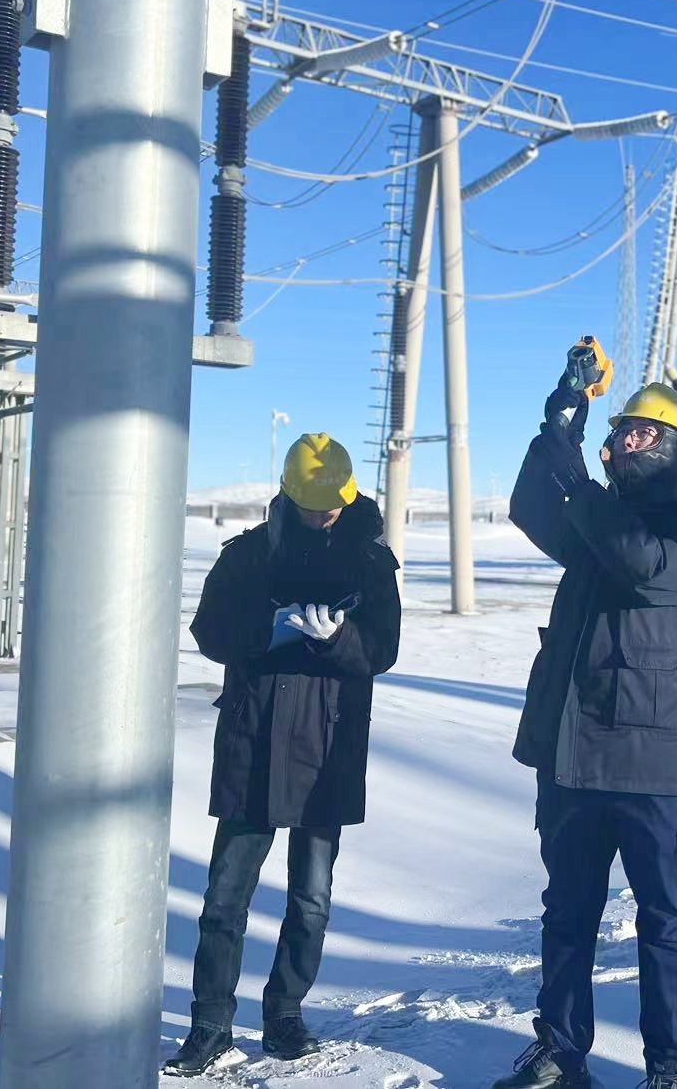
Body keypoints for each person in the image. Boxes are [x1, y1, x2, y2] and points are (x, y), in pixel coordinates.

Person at [494, 381, 677, 1089]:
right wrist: (559, 430)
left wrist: (580, 485)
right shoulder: (596, 520)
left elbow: (645, 567)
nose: (627, 441)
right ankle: (560, 1050)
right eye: (622, 430)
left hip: (652, 761)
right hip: (573, 749)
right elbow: (531, 508)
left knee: (666, 918)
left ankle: (669, 1067)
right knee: (567, 912)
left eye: (644, 433)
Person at [164, 433, 402, 1077]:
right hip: (255, 740)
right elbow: (208, 631)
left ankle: (285, 1015)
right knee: (224, 898)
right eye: (316, 506)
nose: (327, 514)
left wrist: (338, 639)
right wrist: (264, 634)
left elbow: (382, 649)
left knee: (311, 900)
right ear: (290, 497)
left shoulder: (371, 563)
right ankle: (210, 1025)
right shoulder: (248, 555)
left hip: (327, 747)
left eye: (335, 504)